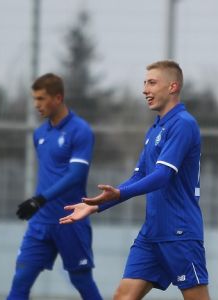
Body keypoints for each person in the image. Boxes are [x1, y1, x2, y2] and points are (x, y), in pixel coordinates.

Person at [60, 61, 210, 300]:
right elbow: (139, 175)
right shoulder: (155, 129)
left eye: (152, 82)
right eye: (144, 83)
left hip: (179, 233)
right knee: (122, 297)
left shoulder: (183, 124)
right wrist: (96, 205)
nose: (144, 89)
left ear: (173, 87)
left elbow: (162, 176)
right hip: (151, 234)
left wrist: (119, 194)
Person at [7, 73, 103, 299]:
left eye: (41, 99)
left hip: (71, 219)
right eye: (34, 98)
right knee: (21, 279)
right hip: (41, 222)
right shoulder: (40, 133)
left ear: (58, 98)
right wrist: (40, 204)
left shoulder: (81, 130)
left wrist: (40, 199)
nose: (36, 105)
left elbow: (76, 175)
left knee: (81, 279)